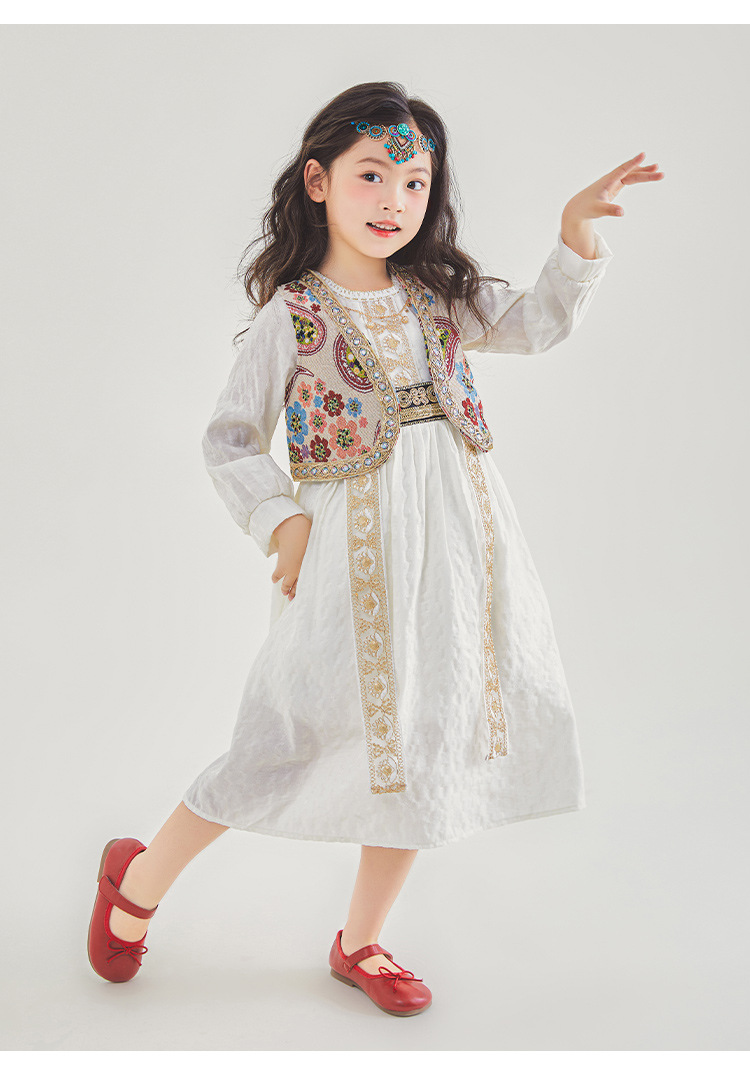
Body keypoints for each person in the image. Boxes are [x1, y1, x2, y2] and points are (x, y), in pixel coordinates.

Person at [87, 80, 663, 1016]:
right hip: (346, 562)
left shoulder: (440, 297)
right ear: (318, 181)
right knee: (283, 734)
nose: (394, 200)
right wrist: (280, 519)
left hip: (458, 551)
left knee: (424, 733)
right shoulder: (292, 316)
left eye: (415, 182)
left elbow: (538, 323)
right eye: (370, 175)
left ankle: (361, 939)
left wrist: (575, 232)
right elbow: (230, 439)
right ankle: (137, 878)